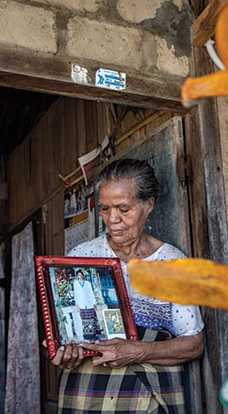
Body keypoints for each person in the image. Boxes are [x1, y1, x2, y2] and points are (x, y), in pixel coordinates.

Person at [50, 158, 204, 414]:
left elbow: (194, 344)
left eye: (123, 209)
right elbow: (66, 330)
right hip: (89, 389)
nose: (113, 220)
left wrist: (135, 351)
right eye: (104, 209)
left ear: (149, 204)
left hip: (150, 391)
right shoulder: (82, 256)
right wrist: (64, 351)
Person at [72, 269, 101, 342]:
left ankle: (94, 336)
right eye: (79, 275)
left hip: (90, 304)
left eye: (81, 275)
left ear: (83, 275)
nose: (80, 276)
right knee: (85, 322)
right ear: (77, 276)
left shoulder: (88, 283)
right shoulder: (76, 284)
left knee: (92, 320)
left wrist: (94, 304)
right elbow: (76, 295)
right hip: (82, 305)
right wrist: (78, 306)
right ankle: (89, 337)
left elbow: (91, 293)